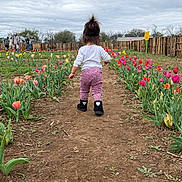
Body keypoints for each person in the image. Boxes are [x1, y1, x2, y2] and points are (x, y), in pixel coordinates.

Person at [69, 16, 111, 116]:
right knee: (97, 90)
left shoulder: (82, 49)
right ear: (97, 36)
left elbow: (77, 62)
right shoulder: (99, 48)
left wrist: (72, 73)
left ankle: (83, 105)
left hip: (85, 73)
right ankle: (98, 107)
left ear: (85, 36)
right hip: (97, 73)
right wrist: (105, 62)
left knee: (84, 89)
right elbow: (108, 58)